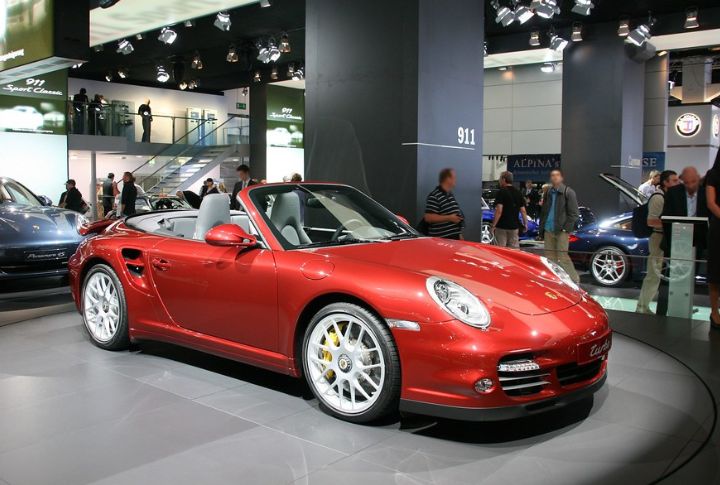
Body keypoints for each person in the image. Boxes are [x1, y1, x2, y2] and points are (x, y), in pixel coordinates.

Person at [636, 170, 680, 314]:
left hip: (665, 238)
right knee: (653, 275)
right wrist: (671, 224)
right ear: (665, 182)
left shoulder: (667, 197)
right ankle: (642, 307)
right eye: (674, 180)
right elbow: (651, 221)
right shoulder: (658, 198)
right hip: (658, 238)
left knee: (657, 275)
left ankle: (645, 306)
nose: (677, 183)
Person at [539, 169, 580, 283]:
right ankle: (555, 280)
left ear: (562, 178)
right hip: (548, 229)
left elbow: (574, 214)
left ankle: (574, 280)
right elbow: (544, 212)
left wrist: (565, 228)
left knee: (563, 258)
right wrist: (541, 229)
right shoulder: (548, 192)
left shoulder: (568, 192)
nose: (555, 177)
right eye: (552, 175)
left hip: (561, 231)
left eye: (557, 175)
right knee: (550, 259)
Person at [424, 168, 464, 240]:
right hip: (442, 241)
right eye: (454, 177)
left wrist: (459, 235)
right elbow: (428, 217)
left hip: (454, 239)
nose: (455, 180)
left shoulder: (450, 195)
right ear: (448, 179)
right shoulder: (435, 195)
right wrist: (449, 218)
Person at [491, 171, 527, 248]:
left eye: (500, 178)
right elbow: (523, 211)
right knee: (513, 250)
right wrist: (525, 224)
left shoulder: (501, 192)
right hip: (514, 226)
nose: (499, 180)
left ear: (504, 179)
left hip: (502, 226)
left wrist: (493, 225)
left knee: (500, 250)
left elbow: (499, 210)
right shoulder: (518, 192)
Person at [705, 152, 720, 329]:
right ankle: (715, 312)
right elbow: (711, 203)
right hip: (718, 229)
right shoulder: (713, 174)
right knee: (716, 273)